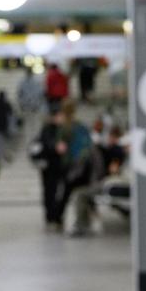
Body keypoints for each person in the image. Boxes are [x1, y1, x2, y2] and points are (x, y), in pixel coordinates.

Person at [30, 99, 90, 231]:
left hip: (63, 166)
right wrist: (55, 147)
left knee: (63, 192)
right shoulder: (48, 129)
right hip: (50, 167)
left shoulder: (68, 128)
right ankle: (52, 218)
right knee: (50, 193)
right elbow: (45, 143)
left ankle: (57, 216)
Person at [67, 127, 127, 237]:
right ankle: (85, 222)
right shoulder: (111, 149)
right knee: (83, 193)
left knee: (80, 194)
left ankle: (81, 225)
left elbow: (113, 169)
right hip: (108, 182)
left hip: (109, 183)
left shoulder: (116, 150)